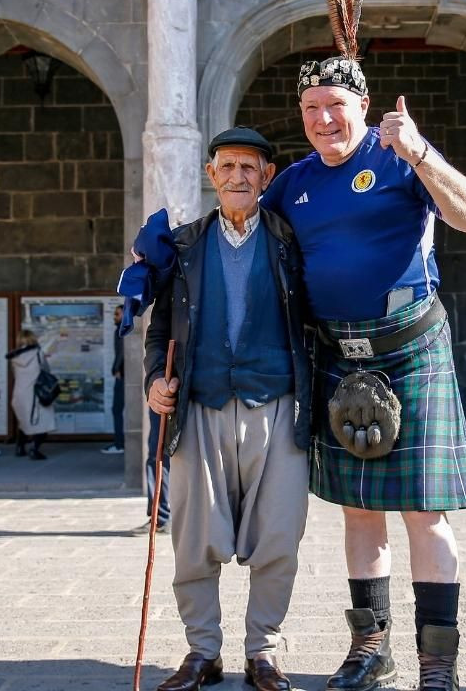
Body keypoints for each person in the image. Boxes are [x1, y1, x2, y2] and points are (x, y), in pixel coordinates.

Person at [256, 0, 466, 687]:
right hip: (337, 356)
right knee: (359, 514)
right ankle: (370, 649)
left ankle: (437, 662)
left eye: (335, 106)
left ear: (363, 105)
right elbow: (244, 245)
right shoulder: (292, 182)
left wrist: (419, 152)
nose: (324, 119)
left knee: (424, 514)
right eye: (311, 108)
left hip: (410, 349)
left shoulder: (399, 158)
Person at [145, 126, 312, 691]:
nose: (238, 177)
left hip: (278, 404)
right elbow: (161, 327)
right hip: (200, 404)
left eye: (250, 168)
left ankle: (262, 652)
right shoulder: (185, 244)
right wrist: (153, 379)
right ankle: (202, 652)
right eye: (227, 167)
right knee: (194, 537)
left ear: (267, 178)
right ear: (211, 175)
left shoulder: (290, 241)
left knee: (279, 536)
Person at [7, 329, 58, 460]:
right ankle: (34, 449)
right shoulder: (38, 354)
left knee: (23, 421)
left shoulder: (14, 357)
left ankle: (20, 448)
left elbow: (15, 374)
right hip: (36, 394)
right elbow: (46, 370)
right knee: (45, 421)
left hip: (19, 395)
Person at [131, 408, 171, 535]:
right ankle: (161, 516)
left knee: (158, 457)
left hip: (167, 397)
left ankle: (162, 517)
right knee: (159, 457)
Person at [102, 304, 126, 455]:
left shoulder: (122, 330)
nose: (114, 317)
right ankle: (119, 442)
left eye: (117, 314)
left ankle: (119, 444)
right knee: (117, 410)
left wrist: (116, 369)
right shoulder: (122, 329)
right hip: (123, 374)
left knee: (116, 409)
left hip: (122, 376)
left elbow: (122, 353)